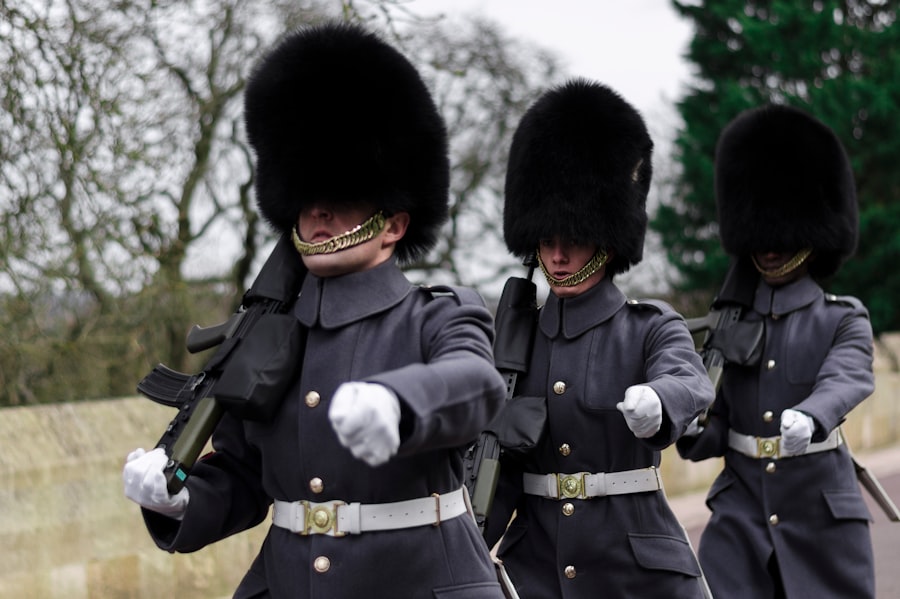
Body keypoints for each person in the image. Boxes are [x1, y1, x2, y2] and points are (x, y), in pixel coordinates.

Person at [122, 22, 509, 598]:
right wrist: (177, 499)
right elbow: (244, 475)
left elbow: (476, 385)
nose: (318, 211)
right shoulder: (269, 333)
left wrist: (400, 402)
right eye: (307, 196)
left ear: (393, 225)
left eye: (342, 197)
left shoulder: (439, 315)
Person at [482, 79, 716, 598]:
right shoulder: (515, 344)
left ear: (606, 243)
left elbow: (690, 380)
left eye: (573, 239)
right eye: (547, 241)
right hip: (537, 567)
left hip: (634, 568)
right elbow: (497, 470)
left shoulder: (648, 326)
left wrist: (659, 400)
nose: (557, 256)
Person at [676, 104, 876, 598]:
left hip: (819, 515)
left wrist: (811, 415)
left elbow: (848, 376)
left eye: (781, 235)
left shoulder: (841, 317)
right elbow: (718, 426)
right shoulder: (731, 322)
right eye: (760, 235)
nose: (769, 248)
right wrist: (688, 423)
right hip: (741, 517)